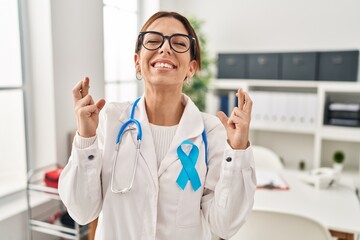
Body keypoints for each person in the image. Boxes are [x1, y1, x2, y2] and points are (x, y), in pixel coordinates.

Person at [58, 11, 256, 240]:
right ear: (137, 62)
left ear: (191, 68)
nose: (165, 48)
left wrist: (239, 151)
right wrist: (85, 138)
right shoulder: (110, 120)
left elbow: (225, 225)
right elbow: (82, 211)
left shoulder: (210, 132)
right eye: (153, 40)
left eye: (179, 43)